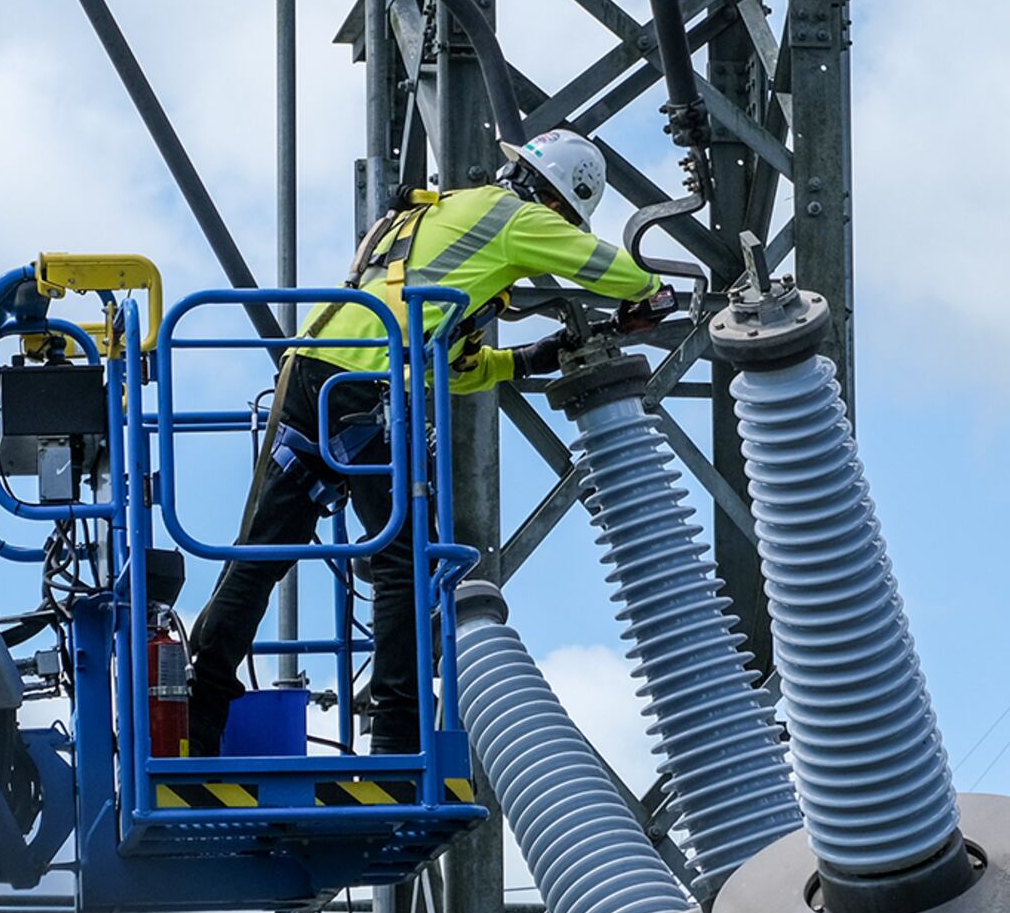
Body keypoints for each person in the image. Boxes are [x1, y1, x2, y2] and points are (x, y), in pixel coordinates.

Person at [187, 128, 670, 755]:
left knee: (263, 554)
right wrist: (650, 292)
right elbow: (602, 265)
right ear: (555, 201)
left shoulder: (444, 220)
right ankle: (397, 737)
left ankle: (197, 710)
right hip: (363, 384)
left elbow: (460, 363)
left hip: (312, 373)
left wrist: (529, 358)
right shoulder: (514, 217)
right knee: (402, 562)